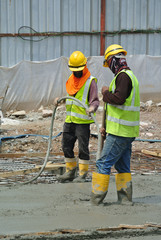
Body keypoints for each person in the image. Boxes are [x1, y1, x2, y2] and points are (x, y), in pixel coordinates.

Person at [91, 44, 140, 205]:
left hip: (120, 132)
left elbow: (118, 100)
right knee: (122, 165)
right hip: (125, 131)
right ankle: (125, 199)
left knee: (103, 162)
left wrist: (105, 92)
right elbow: (116, 109)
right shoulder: (128, 75)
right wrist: (106, 127)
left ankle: (96, 200)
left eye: (109, 63)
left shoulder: (123, 76)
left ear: (113, 60)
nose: (109, 67)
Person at [56, 51, 99, 183]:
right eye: (74, 70)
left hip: (82, 122)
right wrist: (60, 100)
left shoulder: (90, 82)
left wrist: (92, 108)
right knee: (66, 146)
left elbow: (95, 101)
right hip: (69, 120)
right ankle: (70, 171)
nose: (76, 72)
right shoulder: (71, 80)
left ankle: (83, 173)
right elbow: (70, 98)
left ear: (84, 66)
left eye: (78, 70)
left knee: (82, 148)